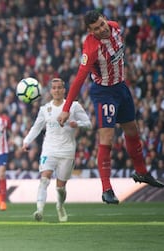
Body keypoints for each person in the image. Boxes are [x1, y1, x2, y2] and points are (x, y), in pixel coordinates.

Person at [57, 10, 164, 204]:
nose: (101, 29)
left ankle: (142, 173)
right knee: (107, 137)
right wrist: (66, 108)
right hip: (104, 92)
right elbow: (79, 79)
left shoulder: (115, 27)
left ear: (106, 20)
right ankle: (106, 189)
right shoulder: (90, 49)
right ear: (90, 32)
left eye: (102, 24)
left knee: (132, 131)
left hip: (121, 88)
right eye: (96, 28)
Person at [22, 78, 91, 222]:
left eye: (60, 87)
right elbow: (37, 127)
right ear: (50, 91)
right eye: (54, 88)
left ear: (64, 90)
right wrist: (26, 141)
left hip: (67, 151)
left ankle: (60, 206)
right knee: (44, 179)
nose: (57, 90)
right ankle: (39, 210)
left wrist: (76, 124)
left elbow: (88, 124)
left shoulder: (74, 106)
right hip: (49, 149)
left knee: (60, 188)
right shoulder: (45, 109)